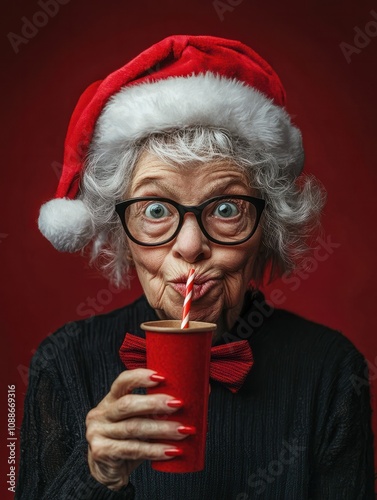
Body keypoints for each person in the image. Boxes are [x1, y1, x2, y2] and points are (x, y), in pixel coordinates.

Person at [16, 35, 375, 499]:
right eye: (156, 210)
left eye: (226, 210)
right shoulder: (62, 362)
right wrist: (96, 477)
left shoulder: (331, 368)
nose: (190, 246)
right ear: (119, 228)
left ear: (268, 225)